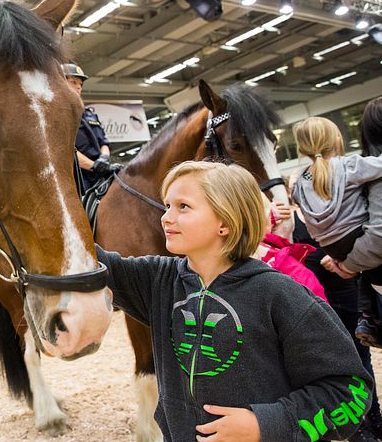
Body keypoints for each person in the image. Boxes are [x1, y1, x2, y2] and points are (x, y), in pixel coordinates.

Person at [96, 161, 372, 442]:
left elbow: (351, 392)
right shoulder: (158, 282)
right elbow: (81, 260)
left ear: (225, 223)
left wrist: (264, 424)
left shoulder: (279, 294)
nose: (166, 218)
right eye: (167, 205)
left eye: (183, 207)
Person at [291, 191, 382, 442]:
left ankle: (371, 420)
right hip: (320, 304)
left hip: (346, 298)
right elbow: (293, 257)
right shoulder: (293, 218)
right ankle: (360, 426)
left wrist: (344, 262)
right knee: (337, 368)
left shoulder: (347, 211)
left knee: (361, 363)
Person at [291, 116, 382, 349]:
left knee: (366, 274)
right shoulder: (349, 165)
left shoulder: (300, 182)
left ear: (302, 148)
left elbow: (311, 224)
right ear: (337, 140)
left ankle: (367, 319)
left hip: (332, 246)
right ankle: (369, 317)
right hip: (356, 236)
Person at [63, 62, 118, 192]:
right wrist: (93, 166)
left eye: (80, 84)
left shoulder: (89, 114)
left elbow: (103, 141)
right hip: (77, 177)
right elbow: (66, 150)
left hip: (99, 172)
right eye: (73, 82)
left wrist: (103, 159)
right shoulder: (56, 115)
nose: (78, 87)